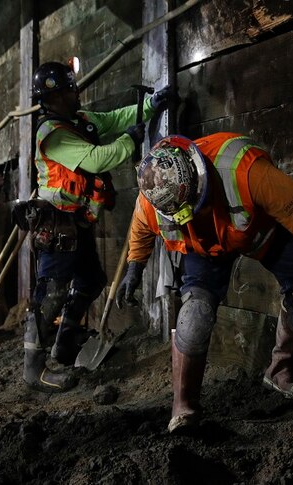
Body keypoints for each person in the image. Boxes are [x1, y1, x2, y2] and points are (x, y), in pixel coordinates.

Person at [116, 133, 293, 433]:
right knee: (194, 318)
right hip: (203, 245)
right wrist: (134, 266)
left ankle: (279, 371)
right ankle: (183, 408)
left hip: (257, 232)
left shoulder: (247, 172)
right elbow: (141, 228)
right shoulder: (154, 193)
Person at [17, 60, 176, 392]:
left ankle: (65, 343)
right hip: (57, 223)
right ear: (53, 98)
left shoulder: (79, 120)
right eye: (69, 90)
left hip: (78, 222)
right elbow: (96, 159)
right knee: (51, 293)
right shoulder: (52, 133)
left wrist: (150, 104)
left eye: (74, 88)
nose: (76, 93)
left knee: (91, 280)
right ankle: (34, 369)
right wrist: (129, 143)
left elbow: (114, 118)